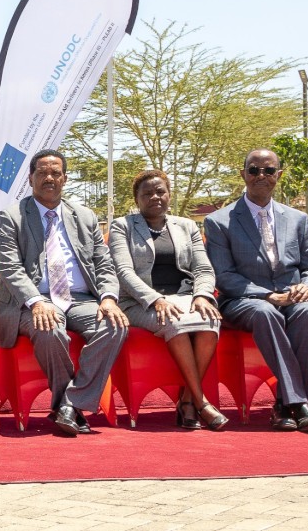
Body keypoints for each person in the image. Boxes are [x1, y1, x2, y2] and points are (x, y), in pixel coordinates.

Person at [0, 149, 129, 436]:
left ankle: (68, 403)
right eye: (42, 173)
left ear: (65, 178)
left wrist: (107, 298)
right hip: (29, 303)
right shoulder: (12, 216)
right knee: (50, 328)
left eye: (55, 173)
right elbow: (9, 267)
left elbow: (103, 262)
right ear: (30, 178)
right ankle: (71, 406)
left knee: (115, 325)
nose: (49, 178)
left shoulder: (84, 216)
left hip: (80, 299)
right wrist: (36, 301)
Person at [205, 149, 308, 432]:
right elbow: (223, 276)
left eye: (268, 171)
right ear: (243, 175)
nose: (261, 176)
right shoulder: (220, 221)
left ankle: (285, 405)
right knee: (265, 312)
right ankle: (300, 403)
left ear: (278, 176)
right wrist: (268, 295)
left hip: (293, 297)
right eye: (254, 170)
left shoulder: (297, 219)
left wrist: (307, 287)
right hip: (243, 300)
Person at [109, 170, 228, 430]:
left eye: (160, 191)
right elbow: (123, 272)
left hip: (185, 297)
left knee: (209, 322)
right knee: (175, 323)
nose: (155, 197)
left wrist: (202, 295)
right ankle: (202, 404)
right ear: (137, 199)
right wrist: (155, 300)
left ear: (169, 194)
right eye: (147, 193)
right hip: (139, 303)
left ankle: (187, 401)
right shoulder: (123, 226)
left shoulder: (186, 226)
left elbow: (203, 268)